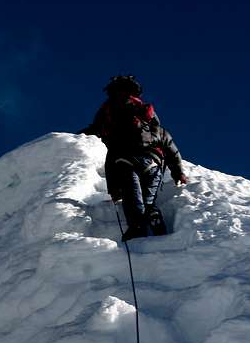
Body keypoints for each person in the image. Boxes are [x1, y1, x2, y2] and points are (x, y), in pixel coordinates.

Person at [78, 75, 187, 241]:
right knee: (148, 200)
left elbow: (97, 131)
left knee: (132, 197)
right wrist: (178, 173)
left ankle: (137, 228)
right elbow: (171, 148)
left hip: (126, 160)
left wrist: (114, 190)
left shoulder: (110, 110)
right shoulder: (150, 122)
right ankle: (153, 218)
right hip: (153, 162)